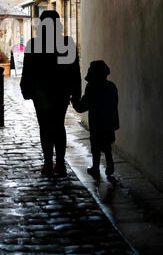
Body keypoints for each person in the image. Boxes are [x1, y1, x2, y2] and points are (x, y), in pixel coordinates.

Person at [20, 10, 81, 177]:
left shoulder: (33, 44)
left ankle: (48, 163)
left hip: (41, 94)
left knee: (45, 126)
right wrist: (76, 94)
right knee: (58, 126)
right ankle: (60, 164)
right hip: (60, 93)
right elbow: (74, 72)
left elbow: (27, 71)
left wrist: (26, 89)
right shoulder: (66, 43)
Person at [72, 60, 119, 179]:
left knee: (96, 146)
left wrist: (74, 102)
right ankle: (110, 164)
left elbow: (83, 106)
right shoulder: (111, 86)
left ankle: (95, 168)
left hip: (97, 123)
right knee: (107, 145)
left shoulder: (92, 87)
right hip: (109, 123)